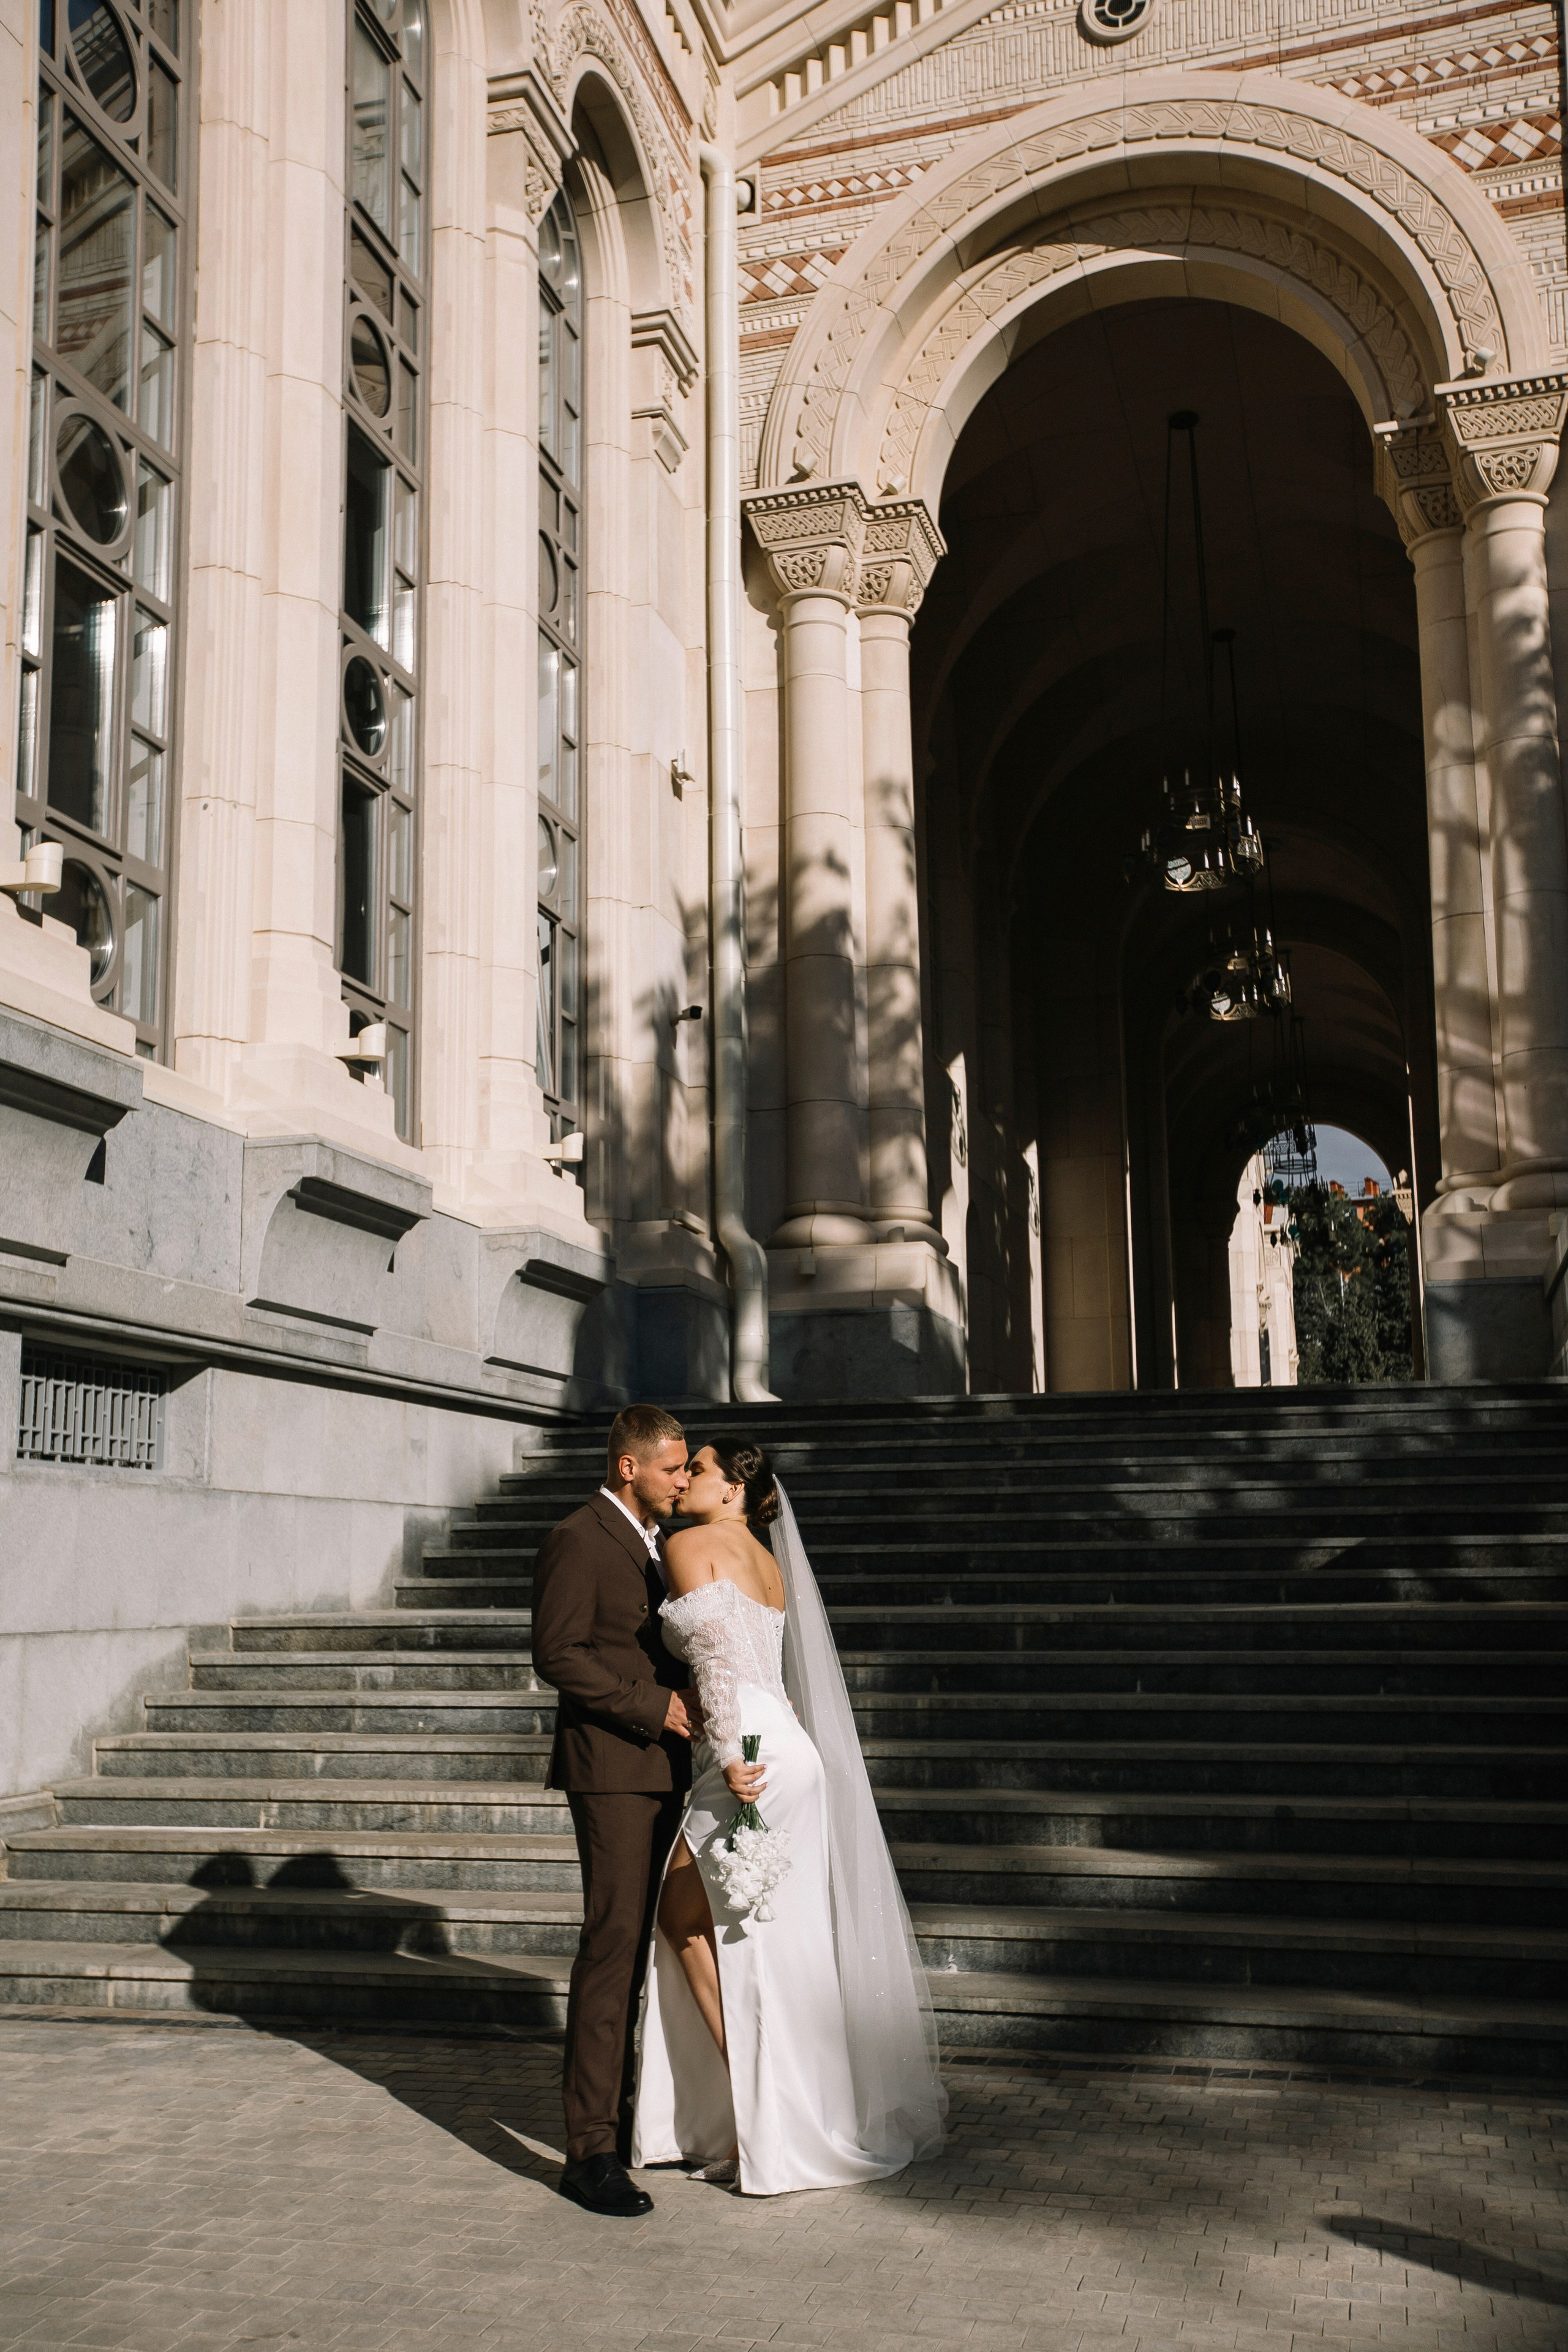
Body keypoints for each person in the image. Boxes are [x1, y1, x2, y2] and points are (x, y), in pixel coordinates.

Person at [632, 1440, 946, 2195]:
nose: (685, 1481)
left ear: (736, 1488)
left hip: (745, 1754)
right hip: (787, 1746)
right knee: (766, 1935)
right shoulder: (766, 1561)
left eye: (699, 1470)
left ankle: (763, 2114)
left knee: (704, 1929)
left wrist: (725, 1756)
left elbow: (712, 1663)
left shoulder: (688, 1543)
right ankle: (785, 2108)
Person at [530, 1403, 699, 2217]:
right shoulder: (577, 1536)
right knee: (612, 1947)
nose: (685, 1479)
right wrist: (652, 1705)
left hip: (669, 1769)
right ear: (629, 1467)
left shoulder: (659, 1544)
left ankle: (633, 2121)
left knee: (647, 1953)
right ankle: (588, 2153)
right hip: (614, 1771)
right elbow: (556, 1652)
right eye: (674, 1468)